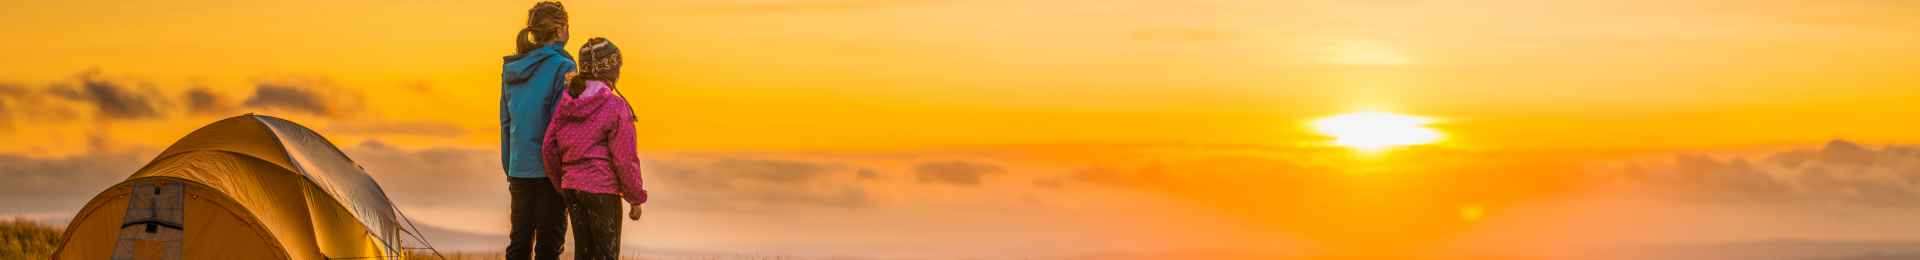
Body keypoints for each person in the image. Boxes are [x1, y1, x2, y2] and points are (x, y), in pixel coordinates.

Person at [542, 37, 648, 260]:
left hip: (572, 189)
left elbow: (549, 147)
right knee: (606, 256)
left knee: (583, 254)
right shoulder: (616, 106)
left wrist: (562, 184)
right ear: (609, 71)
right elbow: (625, 157)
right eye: (618, 66)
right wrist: (635, 196)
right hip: (602, 191)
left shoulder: (567, 102)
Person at [500, 2, 574, 260]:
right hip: (550, 170)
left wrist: (509, 166)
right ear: (559, 29)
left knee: (518, 245)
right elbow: (560, 125)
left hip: (518, 167)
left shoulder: (511, 69)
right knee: (548, 246)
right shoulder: (563, 67)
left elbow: (505, 121)